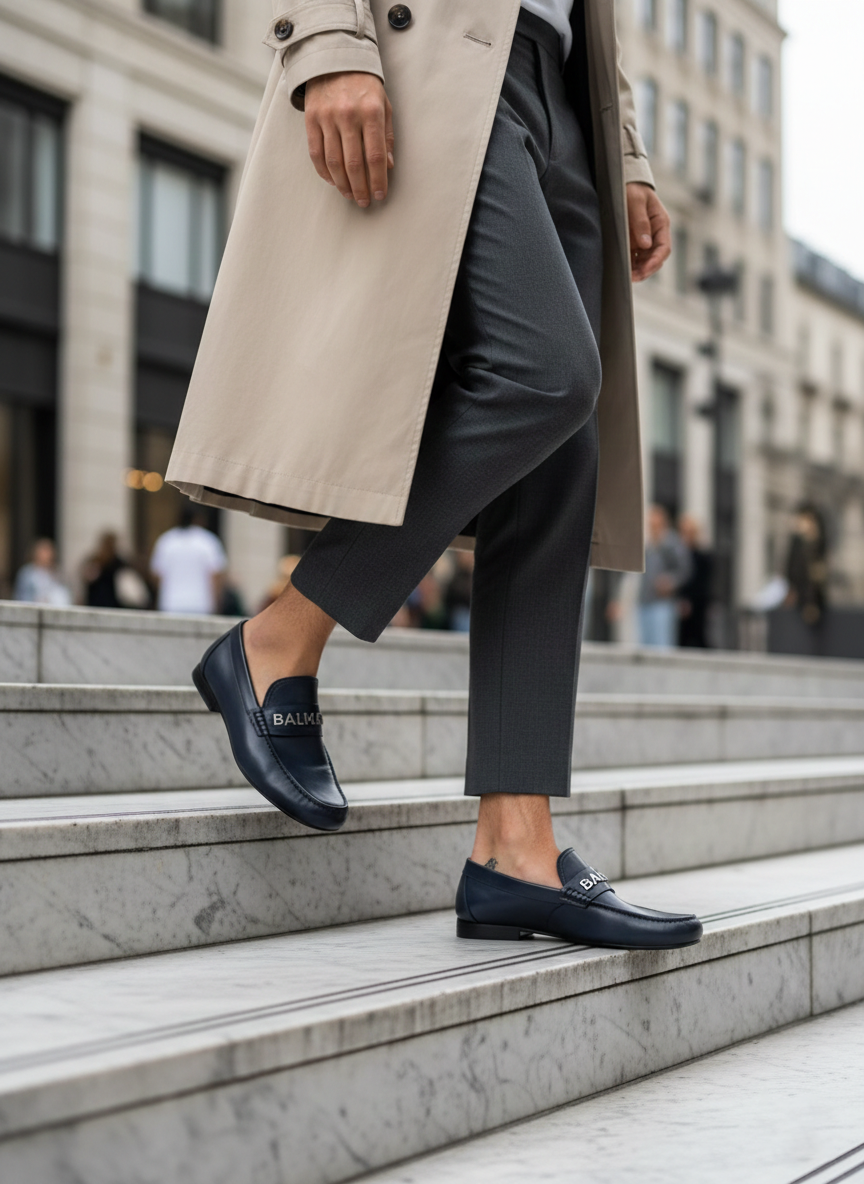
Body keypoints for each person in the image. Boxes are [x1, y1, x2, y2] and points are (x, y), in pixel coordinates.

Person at [166, 2, 701, 950]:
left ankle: (514, 847)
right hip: (433, 42)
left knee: (562, 454)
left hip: (561, 85)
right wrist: (328, 39)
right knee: (548, 376)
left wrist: (624, 154)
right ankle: (280, 638)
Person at [150, 508, 227, 615]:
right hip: (201, 605)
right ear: (199, 519)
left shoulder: (166, 540)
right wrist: (217, 604)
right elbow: (216, 576)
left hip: (171, 604)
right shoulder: (208, 541)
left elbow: (156, 576)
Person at [638, 505, 691, 648]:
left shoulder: (671, 543)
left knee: (661, 644)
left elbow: (685, 570)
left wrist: (670, 581)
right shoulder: (648, 545)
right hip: (645, 601)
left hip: (663, 602)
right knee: (645, 644)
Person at [81, 531, 151, 610]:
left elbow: (136, 597)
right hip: (96, 608)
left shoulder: (121, 567)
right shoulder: (95, 563)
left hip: (114, 609)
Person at [785, 505, 828, 626]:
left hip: (810, 604)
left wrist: (811, 603)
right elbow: (791, 569)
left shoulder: (816, 547)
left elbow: (816, 577)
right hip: (796, 600)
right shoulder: (797, 544)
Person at [677, 515, 714, 649]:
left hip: (698, 602)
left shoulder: (703, 556)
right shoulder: (679, 555)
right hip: (683, 603)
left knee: (699, 637)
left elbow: (702, 581)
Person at [13, 539, 72, 606]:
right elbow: (23, 598)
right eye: (44, 551)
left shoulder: (56, 573)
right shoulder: (26, 573)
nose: (48, 555)